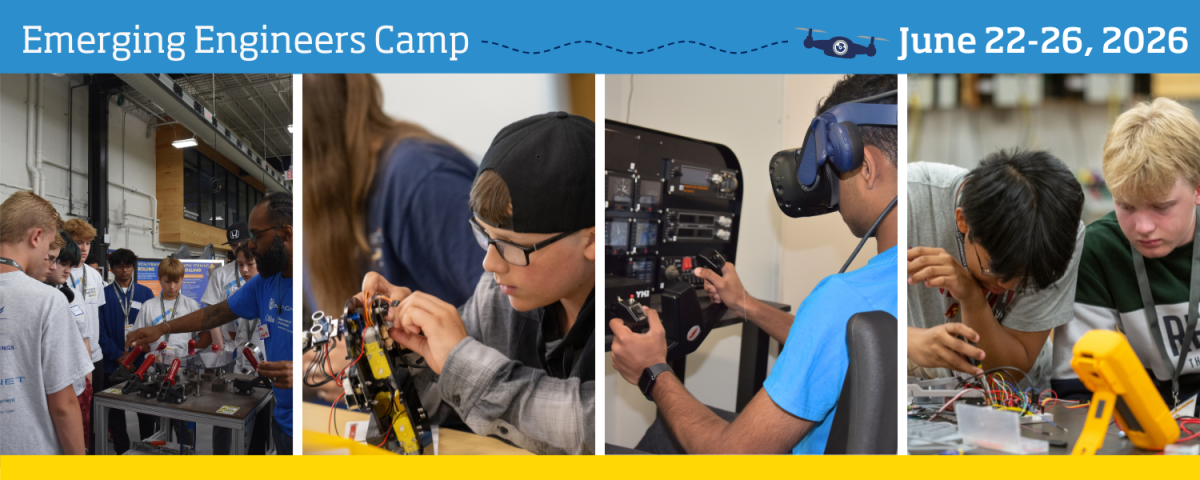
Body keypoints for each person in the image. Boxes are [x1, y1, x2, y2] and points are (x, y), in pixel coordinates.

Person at [609, 74, 898, 454]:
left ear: (867, 167)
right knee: (667, 431)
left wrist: (652, 372)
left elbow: (730, 456)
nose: (835, 195)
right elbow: (837, 346)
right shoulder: (916, 280)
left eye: (834, 175)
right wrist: (746, 304)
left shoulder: (841, 298)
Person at [363, 111, 595, 454]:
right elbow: (439, 403)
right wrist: (405, 347)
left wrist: (464, 362)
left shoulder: (623, 320)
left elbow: (587, 426)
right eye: (484, 235)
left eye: (512, 246)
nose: (490, 263)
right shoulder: (497, 294)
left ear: (591, 241)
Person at [1052, 97, 1200, 410]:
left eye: (1162, 207)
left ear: (1198, 189)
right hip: (1151, 424)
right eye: (1126, 206)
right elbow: (1076, 390)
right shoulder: (1098, 250)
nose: (1143, 227)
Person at [126, 192, 294, 454]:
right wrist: (163, 327)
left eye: (257, 236)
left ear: (285, 233)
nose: (251, 246)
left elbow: (351, 350)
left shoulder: (320, 280)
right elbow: (215, 314)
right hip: (284, 423)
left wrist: (307, 370)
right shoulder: (266, 282)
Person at [906, 151, 1086, 390]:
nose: (1010, 286)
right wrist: (907, 340)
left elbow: (1007, 373)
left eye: (1026, 278)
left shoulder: (1059, 240)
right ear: (963, 221)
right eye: (995, 270)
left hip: (1020, 400)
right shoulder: (908, 200)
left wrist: (972, 297)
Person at [0, 190, 92, 454]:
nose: (47, 260)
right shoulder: (47, 301)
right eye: (49, 246)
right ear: (36, 236)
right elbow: (63, 405)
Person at [200, 240, 271, 455]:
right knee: (226, 415)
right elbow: (213, 316)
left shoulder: (273, 288)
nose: (244, 270)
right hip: (238, 360)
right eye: (240, 265)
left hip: (267, 364)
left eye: (250, 264)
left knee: (261, 423)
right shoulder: (241, 291)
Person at [132, 257, 204, 449]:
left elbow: (202, 337)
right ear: (159, 279)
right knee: (160, 423)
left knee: (185, 427)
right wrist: (154, 354)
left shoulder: (190, 305)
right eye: (167, 281)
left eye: (176, 281)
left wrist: (191, 356)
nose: (172, 286)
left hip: (182, 373)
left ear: (183, 279)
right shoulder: (149, 306)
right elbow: (139, 338)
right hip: (156, 371)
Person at [98, 248, 156, 453]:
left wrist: (134, 355)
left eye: (129, 266)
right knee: (115, 409)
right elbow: (100, 331)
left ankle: (148, 447)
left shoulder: (145, 293)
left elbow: (150, 327)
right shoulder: (103, 295)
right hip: (112, 363)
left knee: (146, 408)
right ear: (112, 269)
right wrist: (118, 356)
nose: (125, 270)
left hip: (141, 362)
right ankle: (122, 450)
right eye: (120, 266)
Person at [44, 232, 93, 452]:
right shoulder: (42, 299)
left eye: (70, 265)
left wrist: (88, 379)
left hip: (80, 384)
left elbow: (84, 337)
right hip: (54, 386)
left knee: (80, 439)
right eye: (60, 262)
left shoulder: (74, 295)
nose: (66, 270)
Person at [63, 218, 106, 452]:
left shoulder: (95, 275)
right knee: (74, 411)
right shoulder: (58, 274)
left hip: (94, 354)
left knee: (95, 412)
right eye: (78, 242)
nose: (84, 248)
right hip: (71, 356)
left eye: (88, 243)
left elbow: (96, 312)